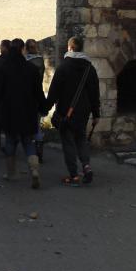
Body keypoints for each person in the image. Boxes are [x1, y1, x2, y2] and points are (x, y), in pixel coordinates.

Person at [45, 36, 100, 186]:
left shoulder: (64, 67)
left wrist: (45, 108)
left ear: (69, 48)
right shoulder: (90, 68)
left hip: (65, 111)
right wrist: (96, 114)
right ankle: (86, 166)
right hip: (83, 112)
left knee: (68, 142)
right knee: (81, 138)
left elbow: (54, 91)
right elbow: (95, 93)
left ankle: (74, 176)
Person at [0, 38, 45, 188]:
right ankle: (34, 170)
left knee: (10, 141)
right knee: (28, 142)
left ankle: (11, 173)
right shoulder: (31, 69)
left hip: (10, 110)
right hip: (28, 110)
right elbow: (38, 92)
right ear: (23, 49)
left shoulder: (4, 68)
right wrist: (44, 106)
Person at [25, 38, 46, 163]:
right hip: (38, 94)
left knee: (27, 123)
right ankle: (39, 149)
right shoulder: (41, 61)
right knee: (36, 124)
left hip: (28, 96)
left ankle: (31, 151)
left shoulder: (25, 62)